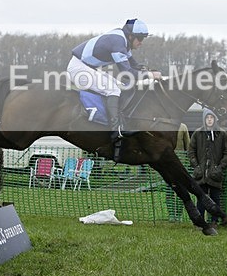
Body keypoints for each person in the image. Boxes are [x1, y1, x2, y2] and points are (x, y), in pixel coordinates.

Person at [67, 19, 162, 155]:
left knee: (118, 85)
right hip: (79, 69)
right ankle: (115, 130)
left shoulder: (123, 40)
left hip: (87, 67)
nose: (141, 42)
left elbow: (134, 65)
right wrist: (150, 75)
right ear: (131, 36)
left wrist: (147, 70)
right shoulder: (118, 43)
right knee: (113, 89)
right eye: (140, 38)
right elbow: (128, 73)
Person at [189, 109, 227, 227]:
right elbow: (191, 151)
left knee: (215, 198)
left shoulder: (222, 134)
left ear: (215, 119)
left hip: (215, 174)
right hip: (201, 173)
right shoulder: (197, 133)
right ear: (204, 119)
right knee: (201, 199)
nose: (209, 120)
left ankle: (214, 221)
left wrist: (219, 167)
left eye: (212, 118)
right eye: (207, 118)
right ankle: (200, 222)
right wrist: (196, 166)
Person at [166, 122, 191, 222]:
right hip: (166, 164)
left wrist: (189, 163)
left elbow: (188, 146)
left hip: (180, 164)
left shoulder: (183, 127)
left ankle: (179, 214)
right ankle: (171, 214)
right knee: (169, 190)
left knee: (181, 190)